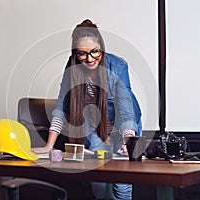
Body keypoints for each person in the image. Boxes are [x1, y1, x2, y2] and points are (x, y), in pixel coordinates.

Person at [33, 19, 142, 200]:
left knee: (121, 185)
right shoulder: (72, 66)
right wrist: (49, 145)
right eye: (83, 54)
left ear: (102, 48)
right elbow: (62, 106)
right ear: (75, 53)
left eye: (95, 52)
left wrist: (127, 139)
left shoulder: (118, 66)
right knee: (98, 181)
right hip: (95, 122)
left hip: (124, 124)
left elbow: (125, 107)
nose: (90, 58)